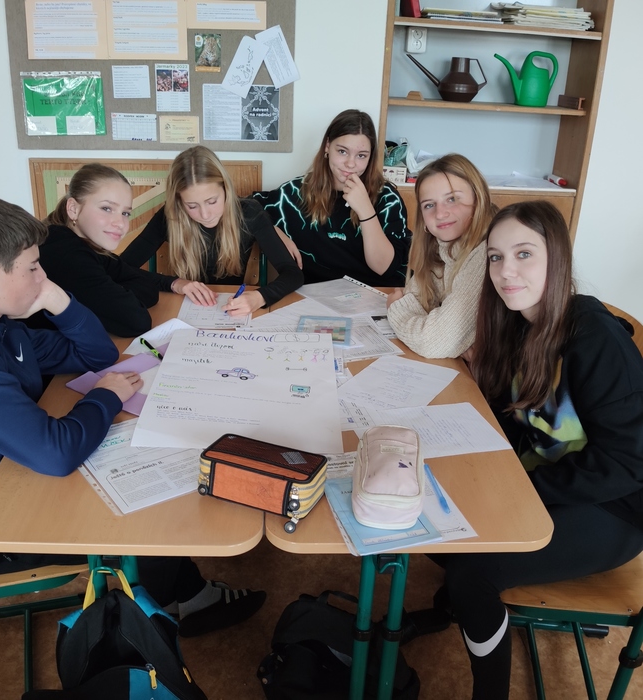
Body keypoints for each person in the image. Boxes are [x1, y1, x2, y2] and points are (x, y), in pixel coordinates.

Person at [0, 194, 265, 637]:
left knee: (138, 468)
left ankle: (177, 593)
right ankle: (175, 604)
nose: (43, 276)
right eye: (33, 268)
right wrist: (104, 398)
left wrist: (59, 300)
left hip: (10, 471)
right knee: (143, 508)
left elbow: (96, 355)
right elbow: (55, 453)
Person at [422, 201, 643, 699]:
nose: (506, 271)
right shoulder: (519, 323)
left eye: (524, 253)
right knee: (434, 526)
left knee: (471, 569)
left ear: (557, 258)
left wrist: (524, 491)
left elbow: (627, 464)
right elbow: (516, 414)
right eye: (496, 257)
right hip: (543, 480)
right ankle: (474, 605)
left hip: (613, 507)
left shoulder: (594, 338)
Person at [120, 146, 303, 316]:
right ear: (179, 202)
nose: (205, 214)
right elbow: (119, 268)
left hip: (231, 310)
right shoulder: (170, 217)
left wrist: (259, 297)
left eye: (212, 201)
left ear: (226, 189)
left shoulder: (249, 213)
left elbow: (293, 274)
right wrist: (174, 283)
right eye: (192, 206)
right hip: (184, 308)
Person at [252, 109, 411, 286]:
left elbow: (384, 267)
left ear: (370, 156)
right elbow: (244, 207)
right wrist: (273, 231)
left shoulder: (388, 199)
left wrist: (365, 210)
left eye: (361, 156)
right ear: (327, 146)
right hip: (314, 297)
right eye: (342, 151)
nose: (350, 164)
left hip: (377, 294)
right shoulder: (296, 192)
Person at [33, 163, 181, 337]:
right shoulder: (66, 253)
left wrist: (112, 292)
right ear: (73, 209)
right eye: (106, 208)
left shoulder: (85, 243)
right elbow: (137, 321)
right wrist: (115, 294)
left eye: (125, 213)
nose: (120, 223)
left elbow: (148, 288)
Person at [386, 153, 496, 358]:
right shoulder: (442, 246)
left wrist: (397, 309)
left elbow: (431, 343)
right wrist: (456, 345)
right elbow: (416, 298)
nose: (440, 214)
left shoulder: (487, 251)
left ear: (478, 199)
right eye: (429, 205)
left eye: (452, 199)